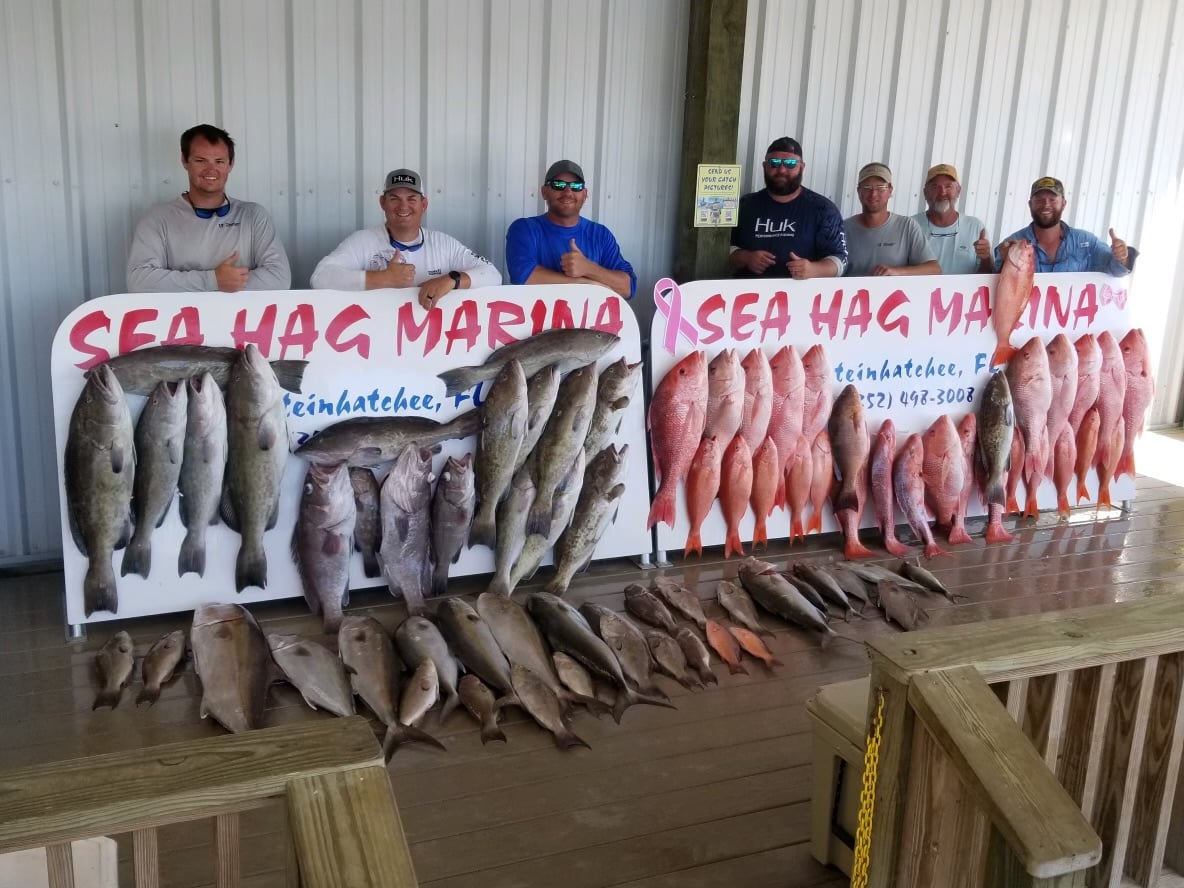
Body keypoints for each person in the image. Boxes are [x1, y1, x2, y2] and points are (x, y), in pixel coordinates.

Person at [126, 124, 291, 293]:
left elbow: (280, 278)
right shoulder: (157, 219)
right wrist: (213, 281)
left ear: (231, 164)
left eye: (219, 161)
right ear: (185, 161)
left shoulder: (253, 216)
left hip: (240, 319)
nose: (211, 170)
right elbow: (139, 281)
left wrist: (225, 282)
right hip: (183, 319)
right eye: (200, 160)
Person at [310, 169, 500, 310]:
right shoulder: (363, 241)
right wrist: (382, 278)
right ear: (383, 203)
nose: (403, 207)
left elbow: (493, 275)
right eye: (394, 199)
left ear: (424, 204)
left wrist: (451, 280)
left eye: (411, 199)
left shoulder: (443, 244)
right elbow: (320, 278)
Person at [505, 160, 636, 300]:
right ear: (544, 192)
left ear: (584, 194)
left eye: (576, 186)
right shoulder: (524, 229)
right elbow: (523, 276)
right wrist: (586, 284)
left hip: (589, 322)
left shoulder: (600, 234)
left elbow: (627, 288)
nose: (568, 192)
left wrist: (589, 268)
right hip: (538, 321)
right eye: (559, 185)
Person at [729, 137, 847, 279]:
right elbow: (721, 248)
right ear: (764, 166)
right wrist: (746, 257)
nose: (782, 170)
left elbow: (840, 260)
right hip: (748, 297)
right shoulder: (745, 205)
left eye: (790, 163)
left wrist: (813, 269)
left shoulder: (823, 209)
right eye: (774, 163)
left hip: (800, 298)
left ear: (802, 167)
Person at [996, 177, 1137, 275]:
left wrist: (1122, 258)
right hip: (1025, 319)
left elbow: (1115, 271)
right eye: (1039, 200)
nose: (1046, 205)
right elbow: (991, 287)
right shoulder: (1010, 245)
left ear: (1063, 204)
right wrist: (1005, 262)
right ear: (1030, 204)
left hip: (1075, 318)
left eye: (1052, 199)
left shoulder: (1087, 242)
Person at [844, 162, 940, 277]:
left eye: (880, 187)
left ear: (890, 190)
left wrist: (898, 272)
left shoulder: (907, 227)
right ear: (858, 191)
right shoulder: (843, 228)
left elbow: (934, 269)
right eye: (867, 187)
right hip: (855, 295)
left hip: (895, 295)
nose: (873, 194)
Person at [912, 163, 993, 274]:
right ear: (925, 193)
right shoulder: (911, 226)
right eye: (935, 187)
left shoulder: (975, 226)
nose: (942, 192)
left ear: (958, 191)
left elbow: (986, 276)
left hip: (963, 292)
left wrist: (986, 258)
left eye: (948, 186)